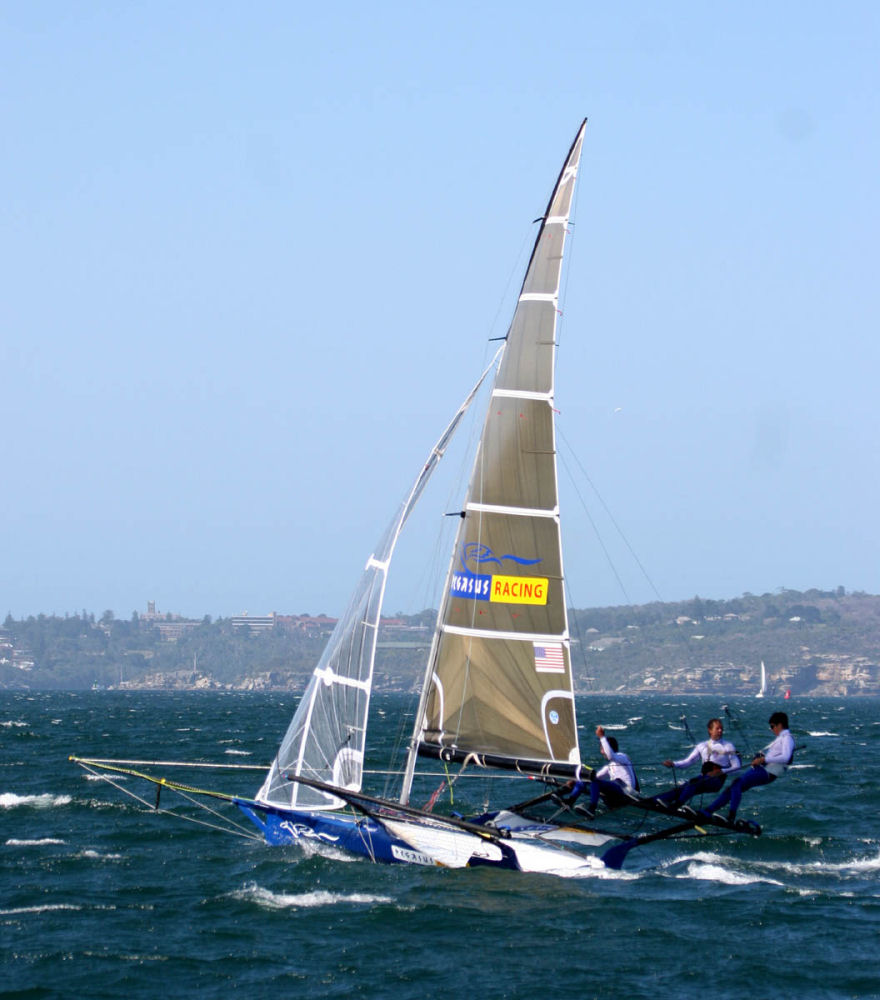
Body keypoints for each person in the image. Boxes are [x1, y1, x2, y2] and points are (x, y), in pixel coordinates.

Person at [699, 711, 795, 822]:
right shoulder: (781, 738)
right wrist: (761, 757)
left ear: (780, 725)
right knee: (732, 788)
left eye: (772, 726)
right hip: (761, 769)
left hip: (767, 772)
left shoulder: (787, 738)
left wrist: (763, 759)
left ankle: (731, 816)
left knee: (736, 785)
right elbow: (776, 755)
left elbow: (786, 757)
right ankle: (708, 811)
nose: (772, 729)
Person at [653, 717, 741, 812]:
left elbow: (737, 767)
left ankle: (676, 806)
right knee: (681, 789)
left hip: (716, 781)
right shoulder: (702, 746)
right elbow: (688, 762)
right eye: (717, 728)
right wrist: (673, 764)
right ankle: (652, 801)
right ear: (710, 730)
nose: (720, 731)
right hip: (703, 778)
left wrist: (721, 771)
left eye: (721, 729)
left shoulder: (728, 746)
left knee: (693, 783)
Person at [562, 725, 638, 819]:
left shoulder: (622, 757)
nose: (601, 752)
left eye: (602, 748)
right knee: (590, 778)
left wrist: (602, 737)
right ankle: (570, 801)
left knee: (595, 781)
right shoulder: (610, 766)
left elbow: (610, 756)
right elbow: (595, 776)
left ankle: (592, 809)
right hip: (617, 789)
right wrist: (575, 781)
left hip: (626, 791)